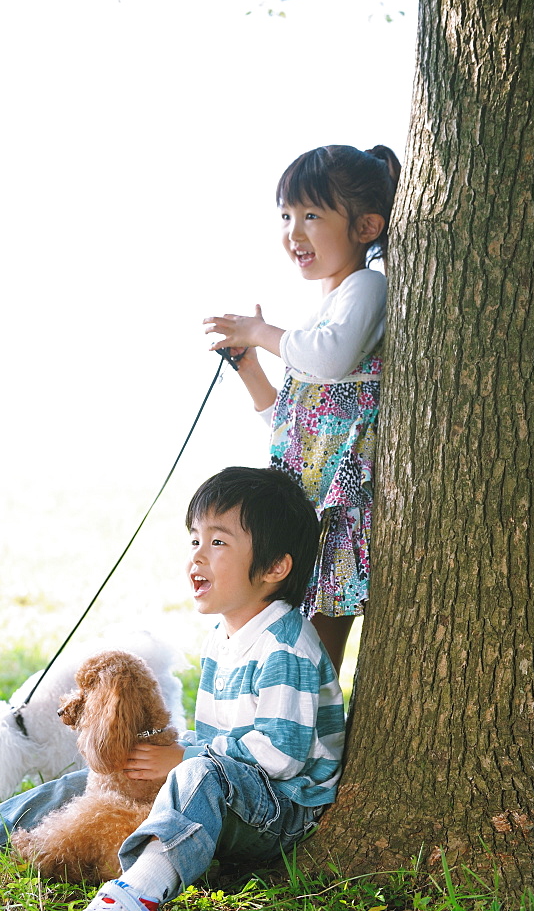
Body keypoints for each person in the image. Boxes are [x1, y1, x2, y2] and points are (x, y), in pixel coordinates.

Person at [0, 467, 345, 911]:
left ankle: (140, 888)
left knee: (197, 775)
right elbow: (213, 740)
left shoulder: (286, 645)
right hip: (225, 786)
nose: (197, 557)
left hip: (282, 809)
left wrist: (184, 759)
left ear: (274, 566)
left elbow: (281, 756)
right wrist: (164, 757)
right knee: (109, 775)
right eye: (194, 540)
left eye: (218, 542)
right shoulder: (223, 635)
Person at [204, 145, 401, 675]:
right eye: (287, 216)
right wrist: (250, 366)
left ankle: (312, 743)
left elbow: (331, 361)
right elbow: (298, 426)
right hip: (305, 501)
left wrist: (260, 332)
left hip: (337, 507)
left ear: (365, 227)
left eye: (312, 215)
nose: (295, 232)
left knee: (316, 649)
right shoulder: (326, 311)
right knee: (281, 637)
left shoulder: (366, 286)